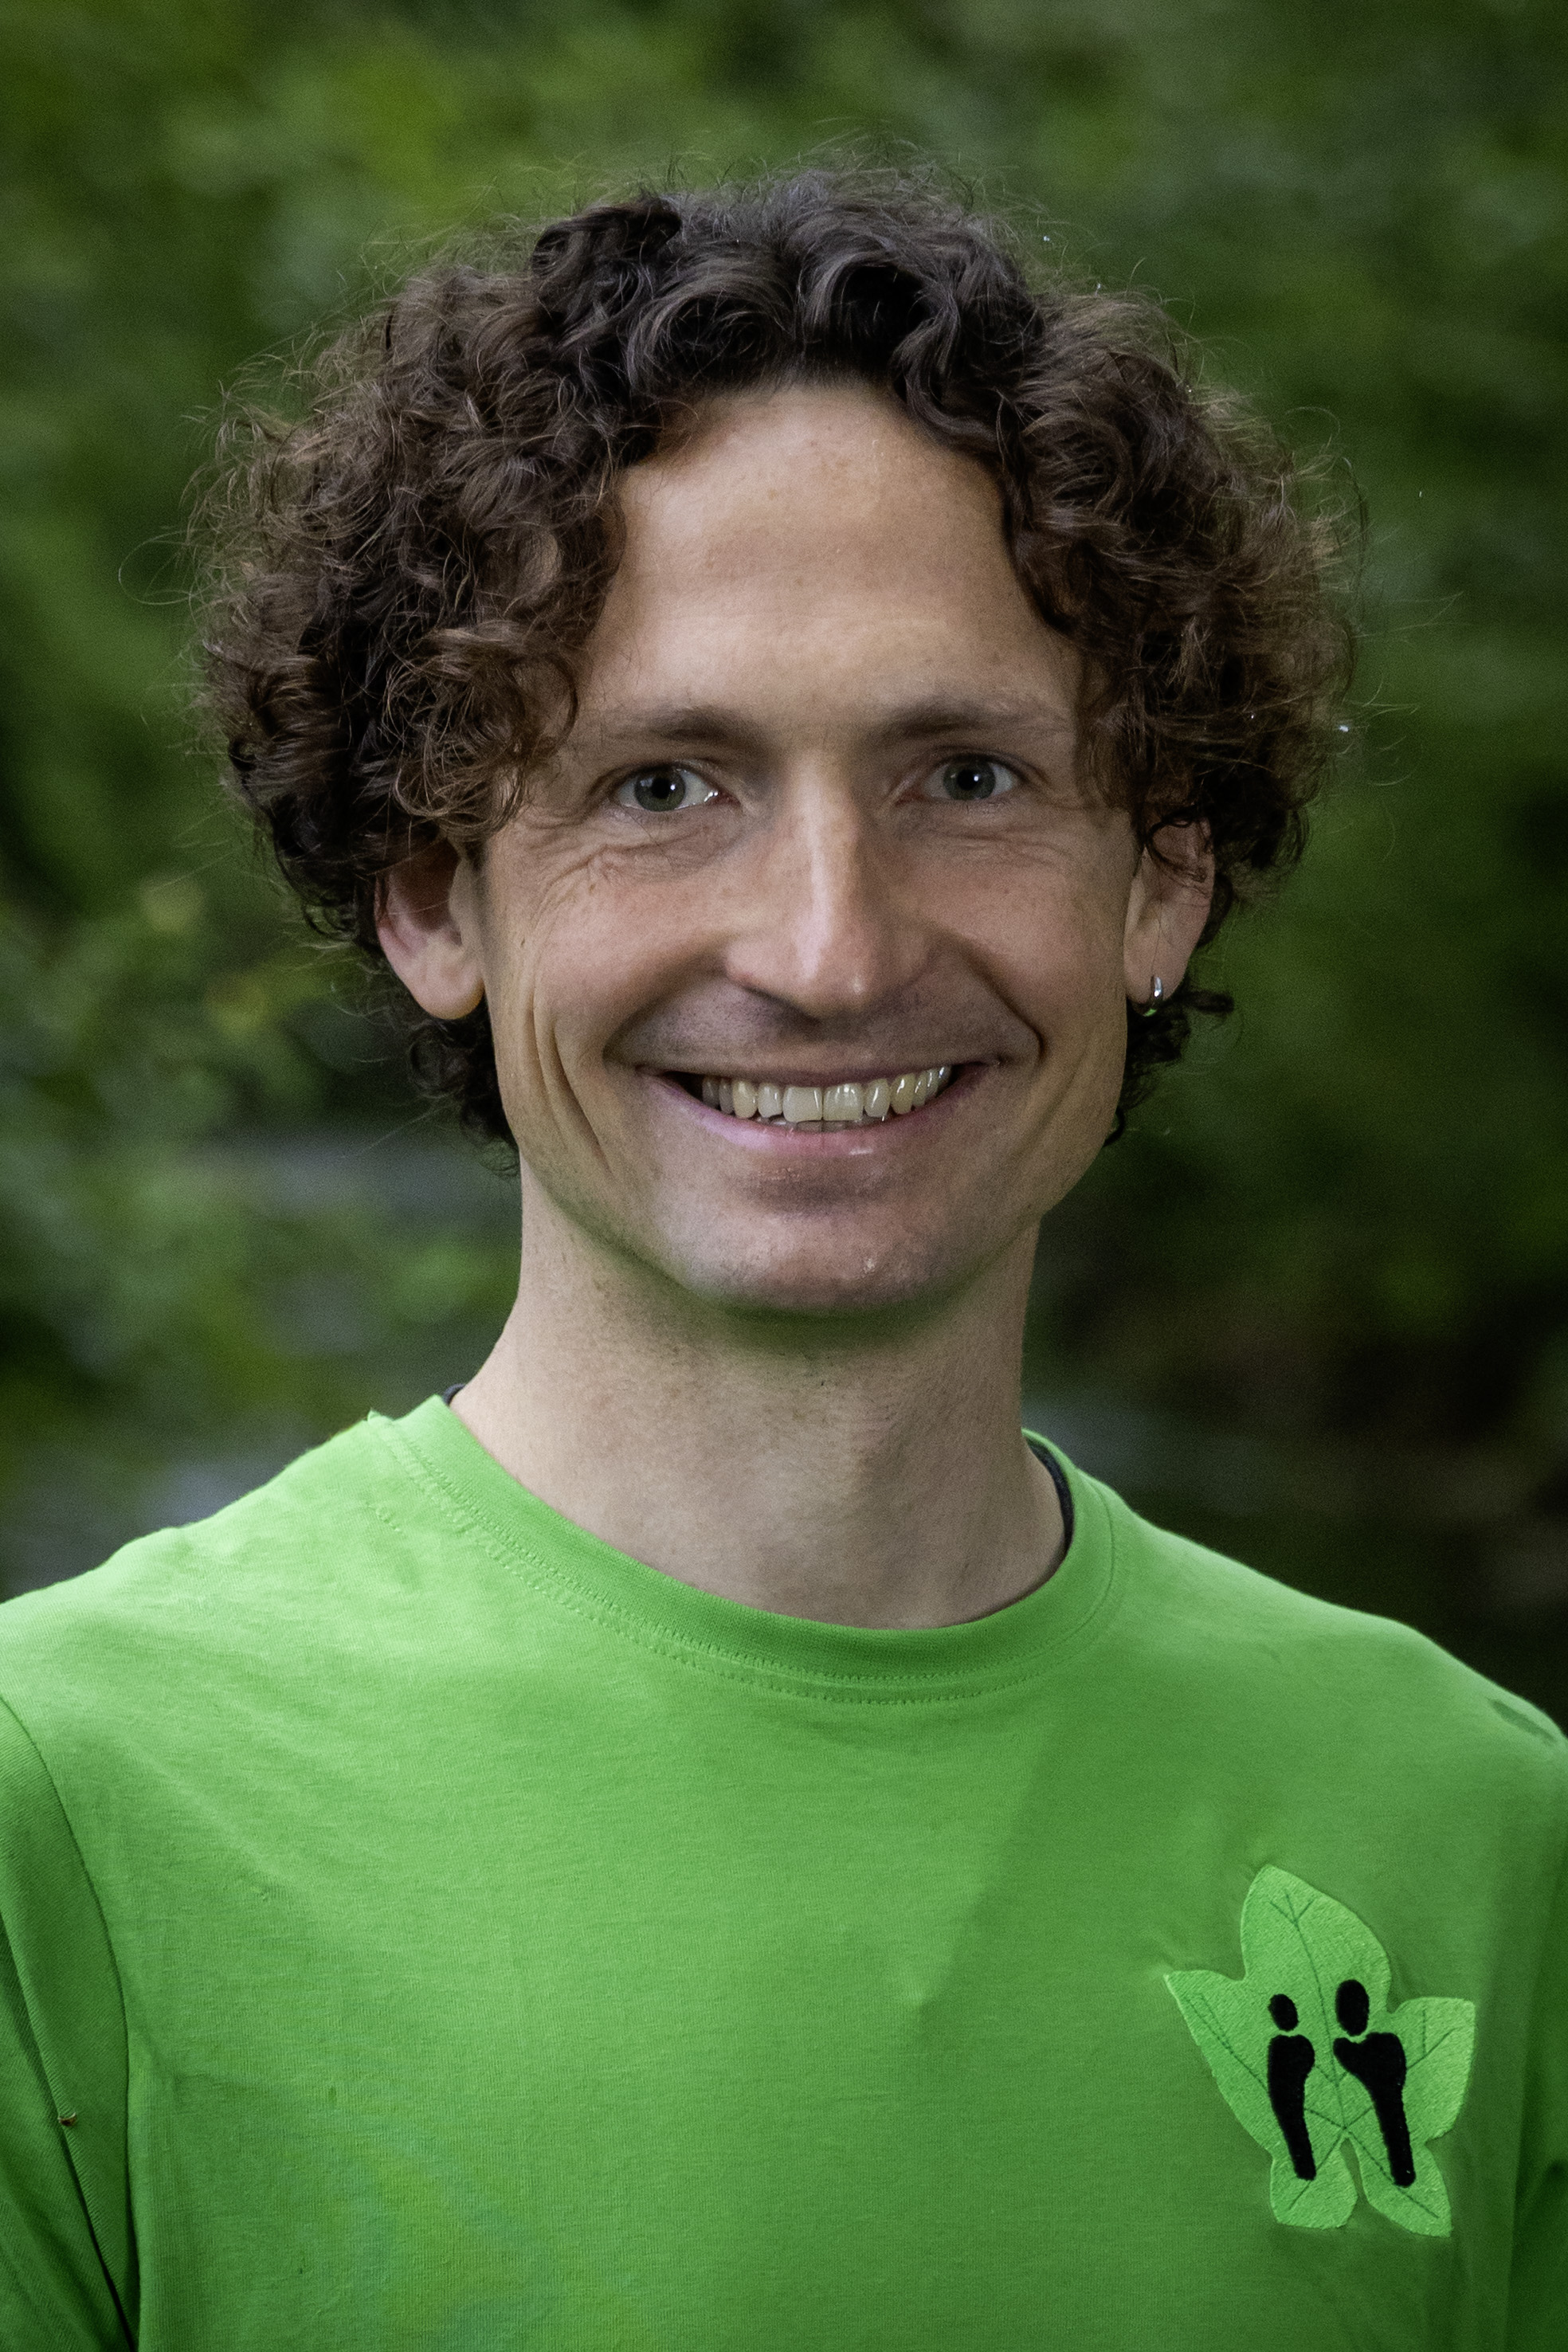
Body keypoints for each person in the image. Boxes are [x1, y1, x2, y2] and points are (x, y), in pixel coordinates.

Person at [0, 170, 1562, 2350]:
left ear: (1160, 884)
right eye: (665, 787)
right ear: (434, 898)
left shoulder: (1478, 1829)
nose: (830, 951)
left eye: (967, 774)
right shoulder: (60, 1802)